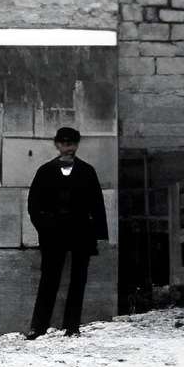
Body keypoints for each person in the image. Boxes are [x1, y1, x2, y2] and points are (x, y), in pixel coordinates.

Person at [24, 125, 107, 338]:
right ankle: (38, 326)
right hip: (53, 235)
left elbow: (97, 204)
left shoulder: (87, 171)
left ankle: (72, 325)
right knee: (49, 279)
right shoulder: (45, 171)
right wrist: (45, 227)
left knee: (78, 279)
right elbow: (33, 205)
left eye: (71, 143)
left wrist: (99, 235)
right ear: (57, 145)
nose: (67, 147)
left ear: (77, 145)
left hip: (81, 232)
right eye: (63, 143)